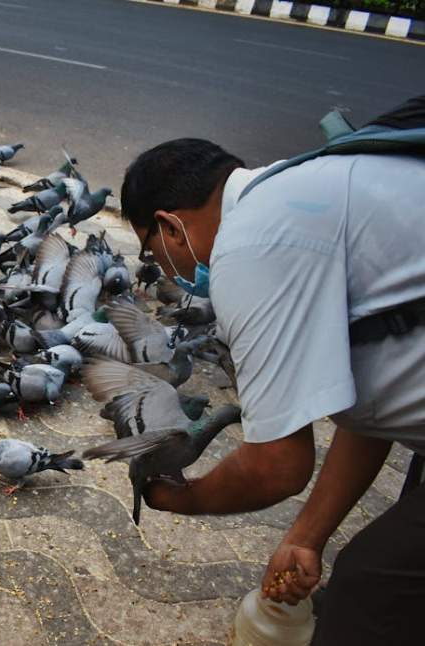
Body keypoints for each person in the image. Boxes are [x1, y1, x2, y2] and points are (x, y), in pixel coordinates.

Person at [118, 97, 425, 645]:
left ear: (168, 226)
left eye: (153, 255)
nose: (162, 271)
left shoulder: (251, 246)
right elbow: (373, 405)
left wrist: (187, 497)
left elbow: (278, 465)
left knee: (370, 596)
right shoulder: (299, 190)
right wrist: (308, 537)